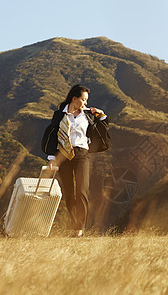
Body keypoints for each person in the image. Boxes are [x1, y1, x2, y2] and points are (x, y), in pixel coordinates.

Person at [43, 84, 109, 237]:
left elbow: (102, 130)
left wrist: (102, 115)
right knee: (68, 192)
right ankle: (74, 226)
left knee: (82, 191)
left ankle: (79, 229)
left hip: (81, 154)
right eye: (83, 100)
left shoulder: (87, 115)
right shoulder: (60, 115)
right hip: (63, 154)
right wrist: (52, 158)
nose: (85, 103)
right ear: (74, 99)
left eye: (86, 100)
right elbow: (52, 135)